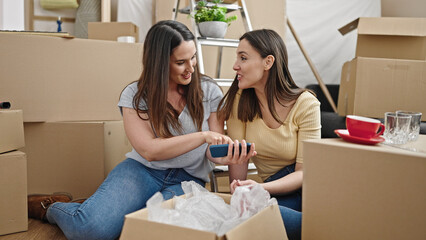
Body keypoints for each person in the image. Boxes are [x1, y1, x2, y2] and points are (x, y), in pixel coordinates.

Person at [27, 20, 253, 240]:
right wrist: (202, 136)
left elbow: (211, 151)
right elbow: (149, 151)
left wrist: (229, 155)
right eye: (181, 62)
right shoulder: (134, 95)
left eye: (193, 57)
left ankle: (97, 208)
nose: (191, 67)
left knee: (152, 227)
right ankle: (51, 207)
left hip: (188, 179)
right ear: (159, 63)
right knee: (88, 230)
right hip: (142, 171)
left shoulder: (209, 90)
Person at [217, 29, 321, 240]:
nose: (235, 66)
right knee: (243, 218)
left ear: (268, 62)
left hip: (309, 189)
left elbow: (305, 173)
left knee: (269, 221)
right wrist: (239, 191)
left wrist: (261, 188)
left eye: (243, 58)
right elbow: (239, 159)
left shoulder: (306, 104)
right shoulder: (241, 100)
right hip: (273, 189)